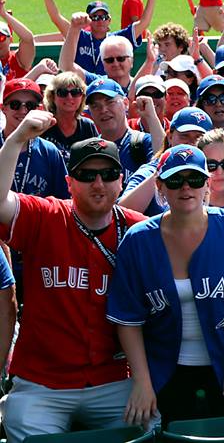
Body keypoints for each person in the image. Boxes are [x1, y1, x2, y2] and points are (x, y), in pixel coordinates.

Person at [107, 145, 224, 426]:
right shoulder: (138, 239)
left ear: (207, 185)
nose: (186, 188)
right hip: (166, 372)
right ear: (160, 188)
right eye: (175, 180)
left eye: (196, 179)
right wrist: (142, 382)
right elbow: (128, 319)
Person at [0, 130, 146, 443]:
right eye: (86, 175)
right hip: (43, 382)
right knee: (20, 422)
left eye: (108, 174)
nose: (98, 184)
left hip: (113, 379)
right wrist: (15, 141)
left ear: (121, 180)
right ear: (69, 183)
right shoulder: (46, 216)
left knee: (150, 424)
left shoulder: (138, 229)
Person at [38, 0, 157, 77]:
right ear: (88, 20)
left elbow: (144, 23)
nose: (100, 21)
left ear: (109, 20)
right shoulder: (79, 36)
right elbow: (56, 18)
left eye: (104, 17)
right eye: (95, 17)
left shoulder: (117, 40)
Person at [119, 108, 213, 217]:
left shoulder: (220, 169)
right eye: (185, 135)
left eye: (199, 137)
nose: (191, 143)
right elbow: (122, 213)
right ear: (170, 137)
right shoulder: (152, 170)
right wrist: (159, 174)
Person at [0, 78, 69, 200]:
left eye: (30, 106)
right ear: (3, 108)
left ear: (39, 109)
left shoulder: (49, 151)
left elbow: (64, 200)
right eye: (15, 105)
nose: (23, 111)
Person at [86, 78, 154, 180]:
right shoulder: (89, 151)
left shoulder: (144, 142)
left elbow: (163, 163)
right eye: (95, 106)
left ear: (126, 103)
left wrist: (151, 117)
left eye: (110, 102)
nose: (103, 110)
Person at [41, 72, 98, 163]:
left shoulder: (88, 126)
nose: (69, 97)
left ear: (82, 97)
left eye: (75, 92)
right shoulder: (44, 124)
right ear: (52, 97)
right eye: (62, 92)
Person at [0, 0, 36, 80]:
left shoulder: (18, 60)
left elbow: (28, 39)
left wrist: (3, 14)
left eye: (1, 37)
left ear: (10, 39)